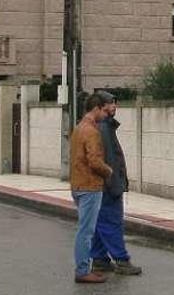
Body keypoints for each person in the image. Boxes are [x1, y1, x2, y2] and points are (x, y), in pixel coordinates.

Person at [90, 92, 142, 276]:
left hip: (100, 185)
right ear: (102, 107)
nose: (115, 107)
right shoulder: (104, 128)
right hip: (107, 186)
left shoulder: (102, 126)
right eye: (112, 104)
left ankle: (99, 259)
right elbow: (110, 160)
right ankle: (121, 260)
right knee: (111, 222)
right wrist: (115, 185)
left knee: (100, 222)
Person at [70, 93, 113, 283]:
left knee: (84, 229)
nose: (105, 115)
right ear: (96, 108)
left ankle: (83, 268)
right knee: (86, 231)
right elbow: (94, 161)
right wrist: (108, 171)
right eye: (104, 110)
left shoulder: (79, 128)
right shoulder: (92, 131)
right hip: (90, 186)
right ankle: (82, 271)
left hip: (78, 184)